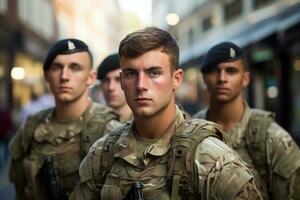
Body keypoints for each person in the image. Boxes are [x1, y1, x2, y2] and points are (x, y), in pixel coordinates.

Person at [70, 27, 262, 200]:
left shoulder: (210, 158)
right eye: (131, 74)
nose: (141, 85)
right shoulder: (104, 153)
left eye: (153, 73)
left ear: (176, 79)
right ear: (122, 81)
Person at [9, 38, 121, 199]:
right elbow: (20, 189)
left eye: (75, 68)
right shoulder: (30, 129)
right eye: (57, 67)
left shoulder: (111, 132)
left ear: (91, 77)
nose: (64, 76)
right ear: (46, 76)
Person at [193, 41, 300, 199]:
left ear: (245, 79)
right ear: (204, 79)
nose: (222, 78)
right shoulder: (191, 132)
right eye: (215, 71)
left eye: (231, 71)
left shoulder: (270, 136)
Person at [97, 53, 132, 122]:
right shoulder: (94, 123)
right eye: (106, 80)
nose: (111, 88)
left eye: (118, 80)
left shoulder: (143, 122)